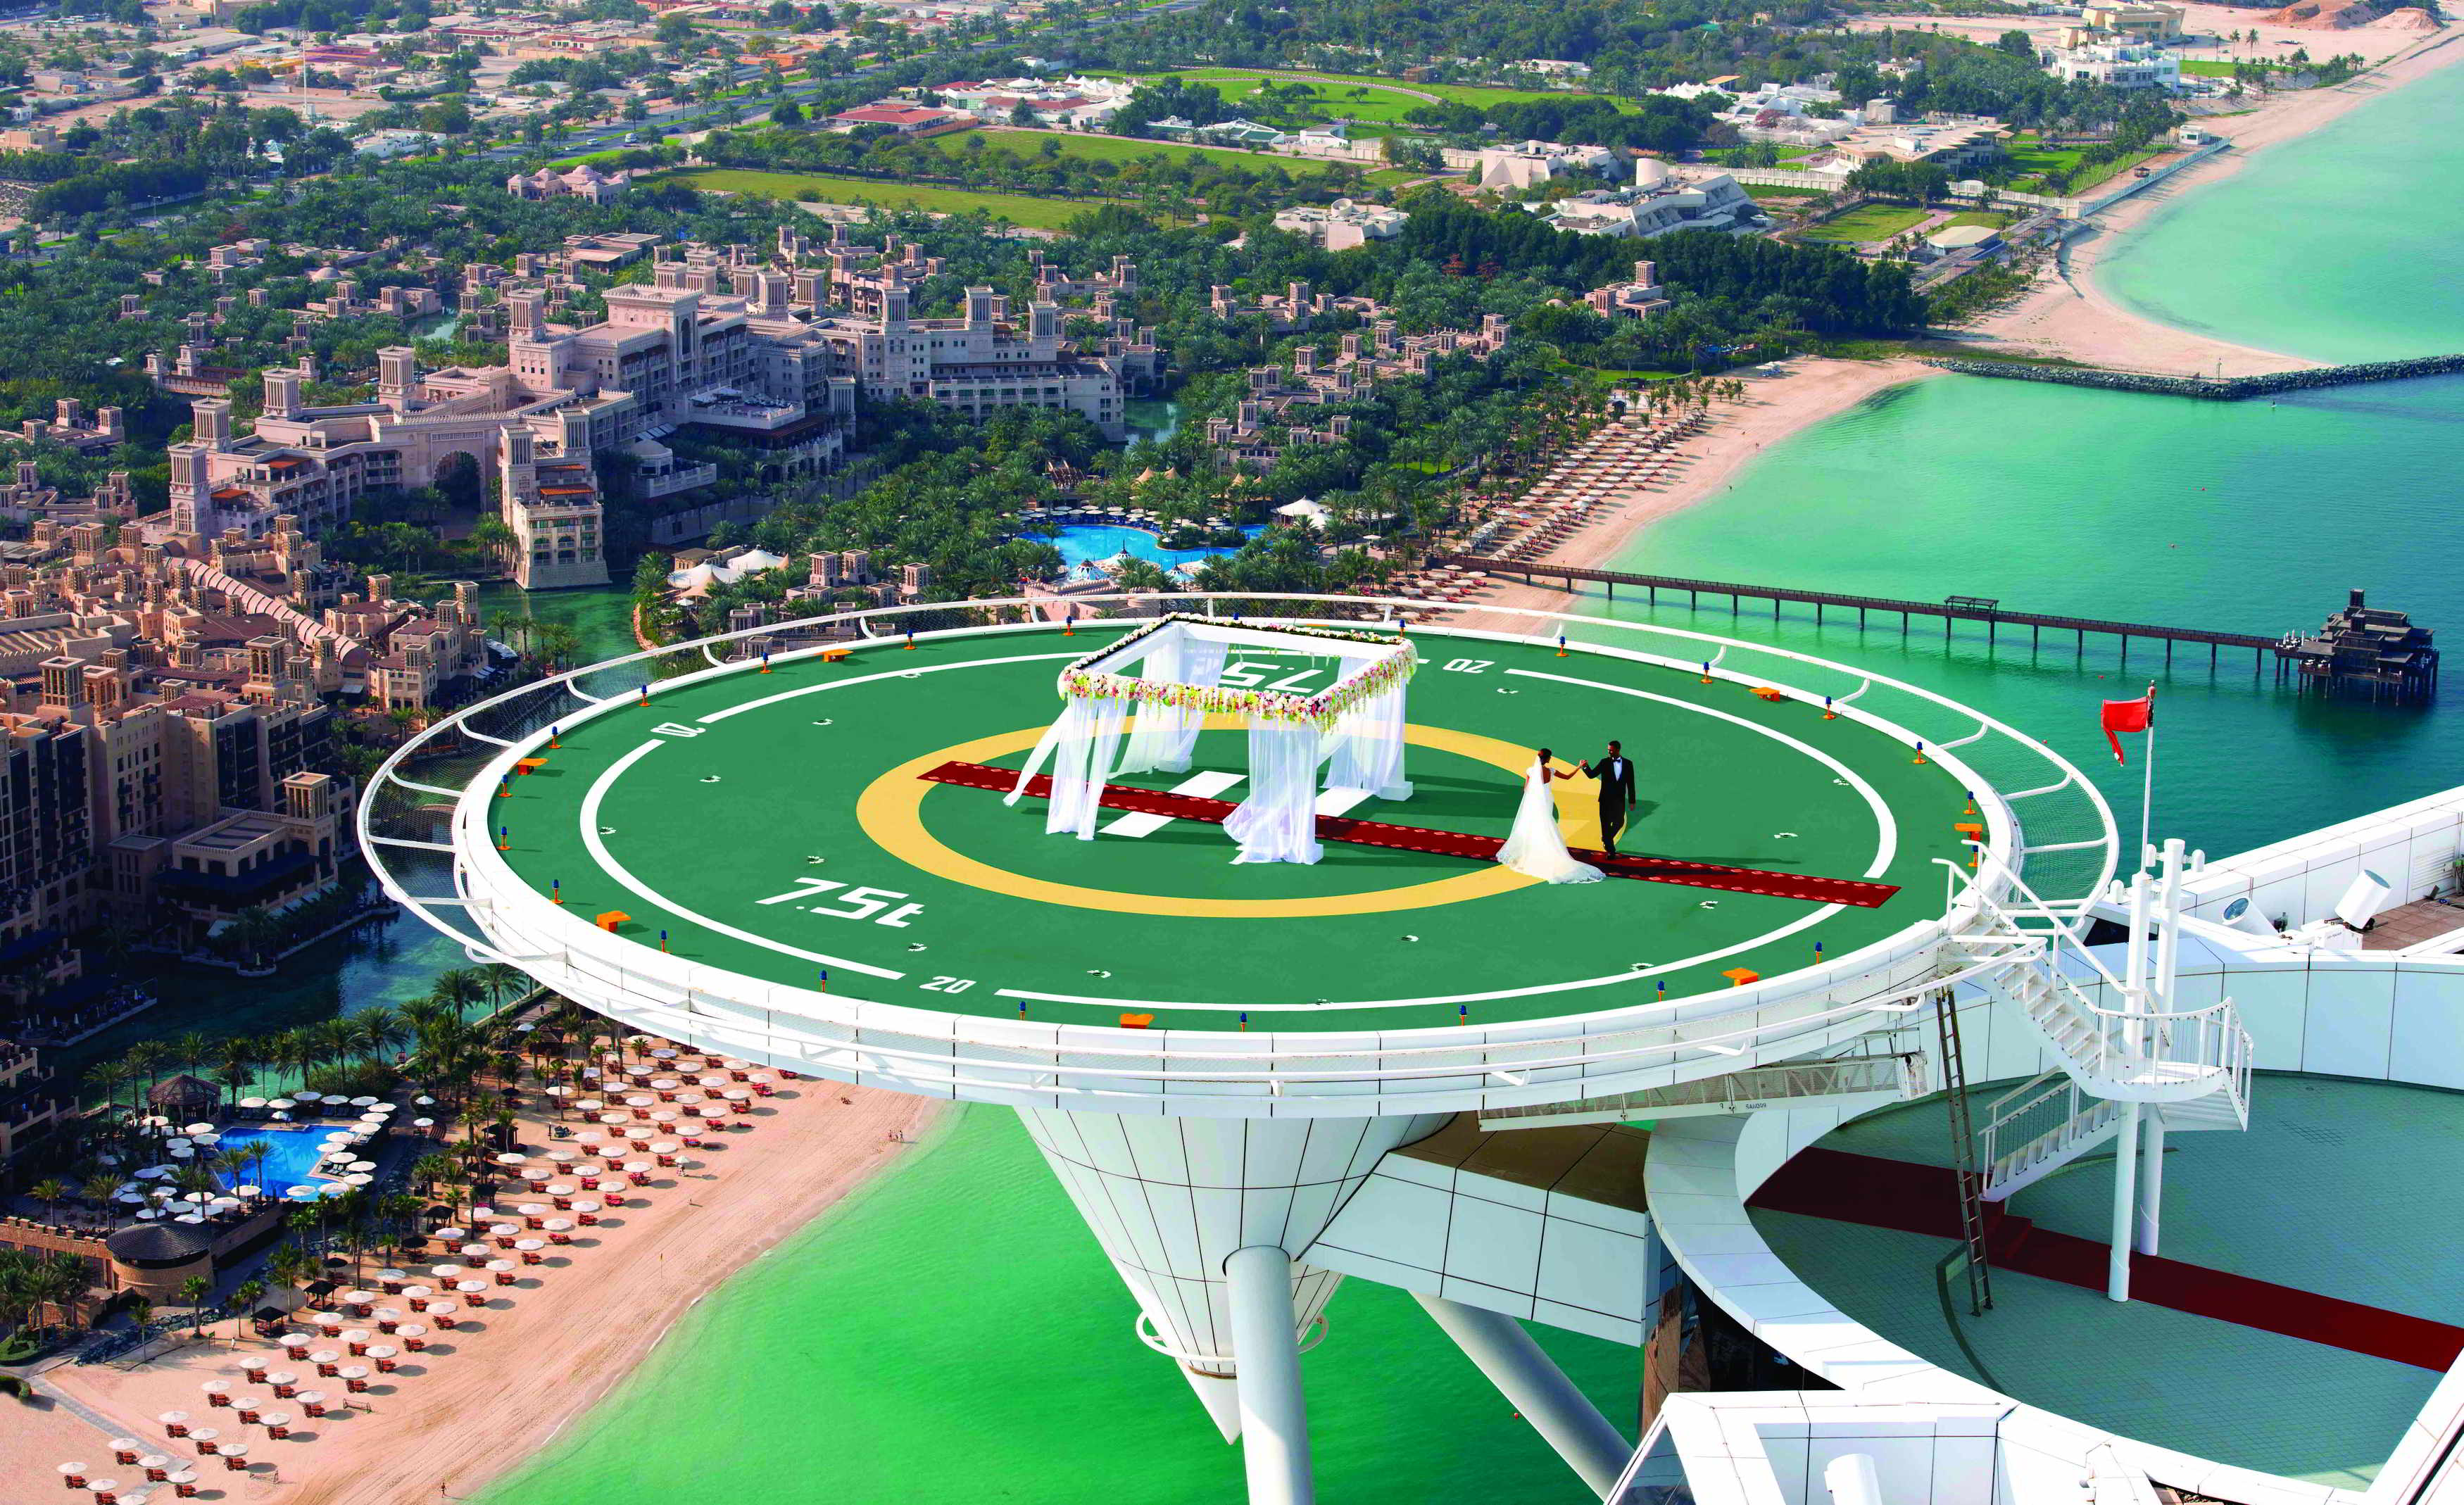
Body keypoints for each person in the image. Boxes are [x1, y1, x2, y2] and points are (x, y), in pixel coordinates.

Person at [1496, 747, 1603, 885]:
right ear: (1547, 759)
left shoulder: (1530, 770)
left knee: (1532, 824)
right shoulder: (1551, 771)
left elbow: (1526, 789)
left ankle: (1531, 851)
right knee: (1546, 823)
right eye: (1550, 757)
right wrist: (1579, 767)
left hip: (1534, 801)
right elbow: (1568, 777)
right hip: (1546, 801)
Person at [1582, 740, 1638, 856]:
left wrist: (1632, 801)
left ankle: (1607, 839)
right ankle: (1611, 851)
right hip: (1605, 800)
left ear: (1618, 750)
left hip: (1619, 800)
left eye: (1611, 750)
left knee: (1619, 822)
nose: (1609, 752)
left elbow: (1631, 783)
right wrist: (1586, 767)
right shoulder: (1604, 762)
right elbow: (1592, 775)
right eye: (1608, 750)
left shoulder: (1628, 763)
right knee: (1606, 825)